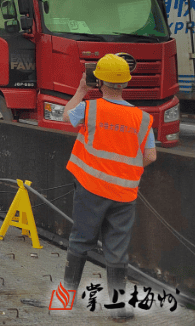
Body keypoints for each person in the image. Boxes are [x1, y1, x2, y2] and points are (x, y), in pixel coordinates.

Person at [60, 53, 156, 319]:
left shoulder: (89, 109)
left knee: (80, 242)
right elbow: (150, 156)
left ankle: (66, 300)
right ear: (126, 83)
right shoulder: (143, 118)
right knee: (117, 249)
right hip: (124, 193)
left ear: (98, 81)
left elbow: (66, 115)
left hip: (90, 189)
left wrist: (81, 90)